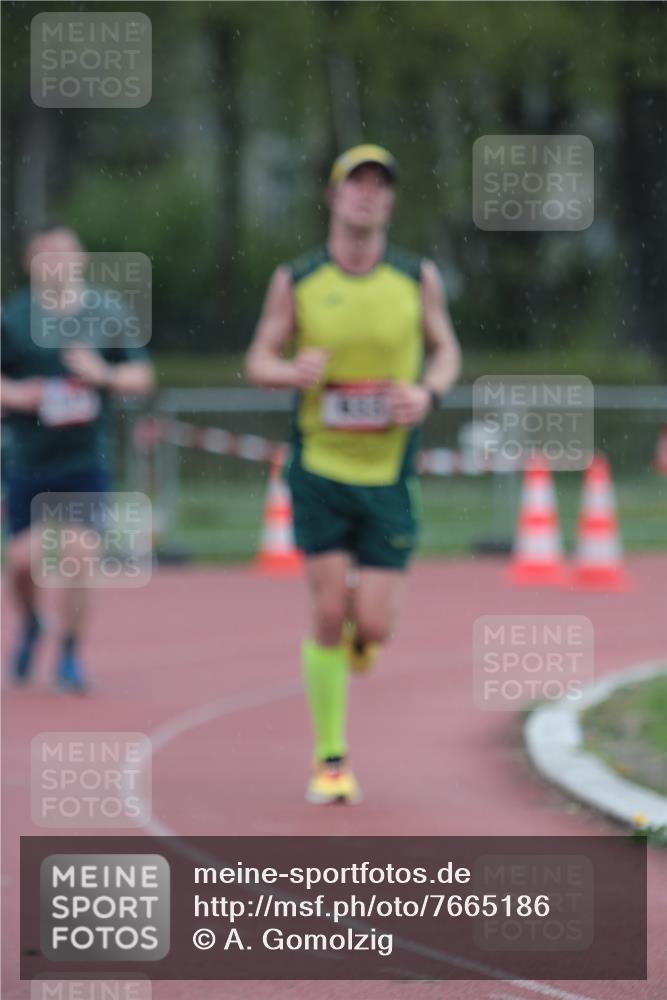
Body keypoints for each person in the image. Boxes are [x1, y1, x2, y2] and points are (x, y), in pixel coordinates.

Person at [245, 144, 461, 803]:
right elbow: (258, 357)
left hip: (389, 471)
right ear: (334, 197)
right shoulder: (298, 278)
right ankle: (330, 759)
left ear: (391, 201)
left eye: (379, 186)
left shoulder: (415, 277)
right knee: (326, 604)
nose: (367, 195)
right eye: (355, 184)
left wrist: (428, 394)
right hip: (319, 466)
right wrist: (290, 371)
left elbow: (445, 348)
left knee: (373, 626)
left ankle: (360, 642)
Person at [1, 225, 154, 692]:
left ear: (80, 259)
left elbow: (142, 376)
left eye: (64, 253)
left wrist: (103, 374)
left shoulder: (105, 312)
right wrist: (20, 395)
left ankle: (70, 653)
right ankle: (32, 624)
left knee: (79, 554)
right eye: (45, 255)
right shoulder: (15, 316)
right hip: (28, 461)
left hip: (85, 461)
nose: (56, 263)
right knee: (23, 562)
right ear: (31, 263)